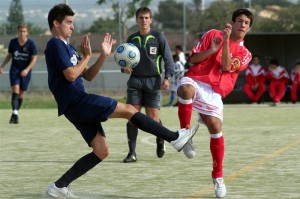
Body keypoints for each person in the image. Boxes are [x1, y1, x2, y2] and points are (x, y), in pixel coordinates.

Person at [44, 4, 198, 198]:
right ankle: (174, 138)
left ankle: (59, 186)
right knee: (128, 110)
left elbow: (88, 75)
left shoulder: (68, 47)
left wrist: (102, 55)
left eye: (72, 22)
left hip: (75, 105)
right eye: (68, 22)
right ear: (56, 24)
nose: (72, 27)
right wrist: (87, 56)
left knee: (101, 151)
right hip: (76, 101)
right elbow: (71, 75)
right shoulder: (54, 45)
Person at [176, 8, 254, 198]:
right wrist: (211, 49)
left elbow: (227, 66)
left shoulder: (245, 54)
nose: (242, 25)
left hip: (215, 91)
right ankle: (185, 135)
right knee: (185, 90)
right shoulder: (212, 34)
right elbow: (193, 59)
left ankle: (217, 177)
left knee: (215, 127)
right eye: (240, 21)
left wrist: (226, 42)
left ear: (248, 28)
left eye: (246, 23)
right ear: (233, 22)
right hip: (196, 79)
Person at [121, 7, 175, 163]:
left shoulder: (158, 37)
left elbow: (168, 59)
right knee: (132, 116)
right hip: (135, 81)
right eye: (141, 18)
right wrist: (124, 68)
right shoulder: (131, 39)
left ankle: (160, 138)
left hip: (153, 82)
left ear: (150, 20)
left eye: (146, 18)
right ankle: (132, 153)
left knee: (152, 119)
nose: (143, 20)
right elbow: (123, 59)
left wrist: (167, 77)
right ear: (136, 20)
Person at [0, 24, 37, 124]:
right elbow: (9, 55)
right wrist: (2, 66)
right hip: (15, 70)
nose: (22, 33)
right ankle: (15, 113)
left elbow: (34, 59)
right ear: (18, 32)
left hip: (26, 71)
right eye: (20, 31)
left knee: (21, 93)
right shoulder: (13, 42)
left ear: (27, 32)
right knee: (15, 89)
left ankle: (15, 113)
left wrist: (27, 69)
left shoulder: (31, 44)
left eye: (24, 31)